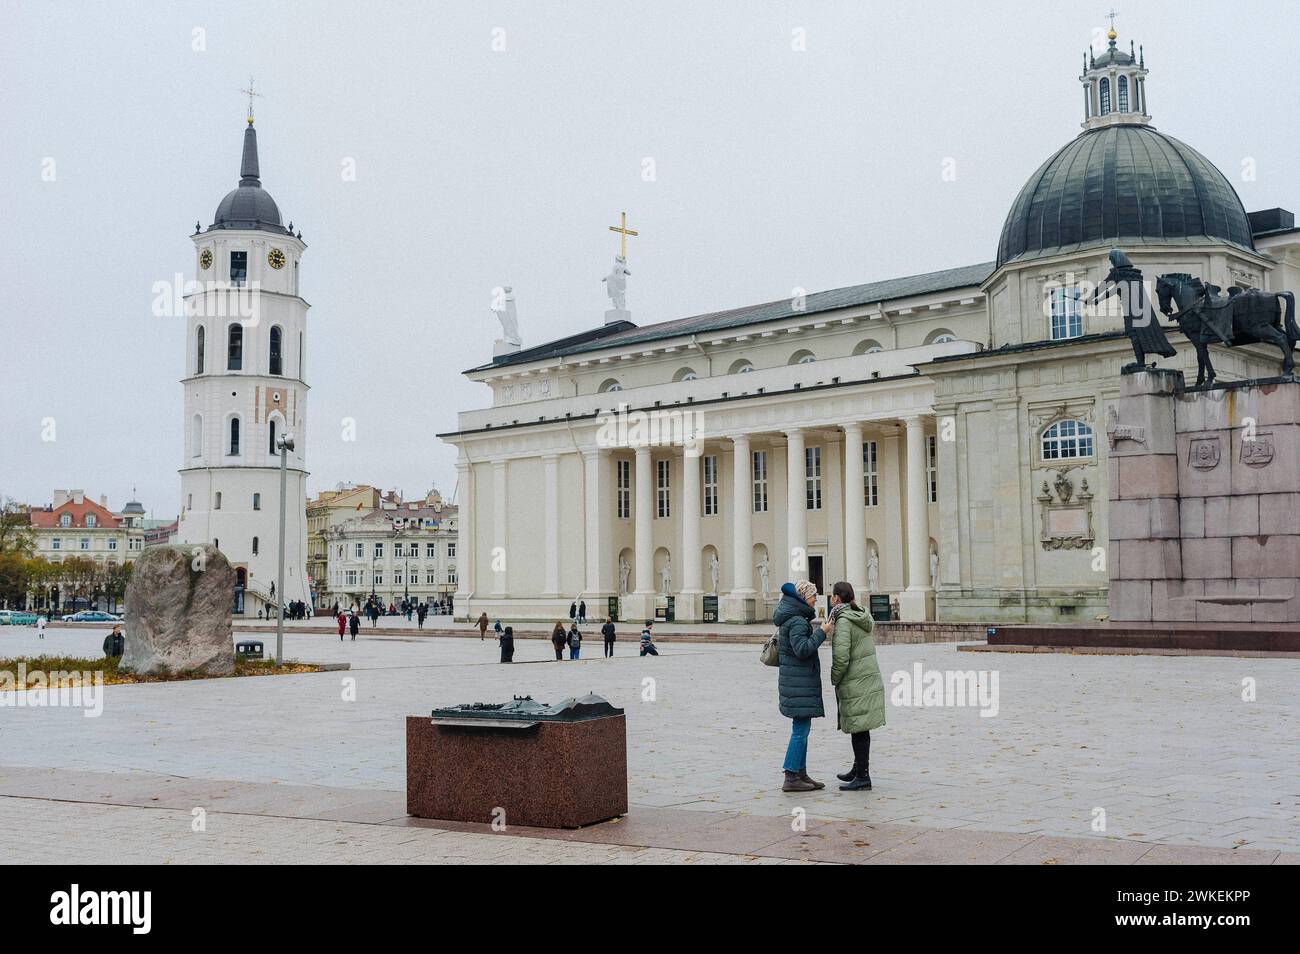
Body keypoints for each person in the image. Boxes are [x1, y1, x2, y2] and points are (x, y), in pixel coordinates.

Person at [822, 581, 885, 792]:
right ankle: (857, 770)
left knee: (858, 728)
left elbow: (841, 657)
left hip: (855, 680)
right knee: (861, 727)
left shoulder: (844, 621)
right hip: (866, 678)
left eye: (832, 596)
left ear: (836, 599)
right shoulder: (859, 614)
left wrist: (834, 678)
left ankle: (863, 777)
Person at [774, 579, 826, 793]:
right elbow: (802, 650)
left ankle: (800, 772)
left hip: (796, 682)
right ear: (805, 597)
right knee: (800, 730)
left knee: (802, 728)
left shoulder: (794, 618)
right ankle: (791, 775)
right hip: (799, 684)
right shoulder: (797, 621)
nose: (815, 600)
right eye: (813, 596)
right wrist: (822, 632)